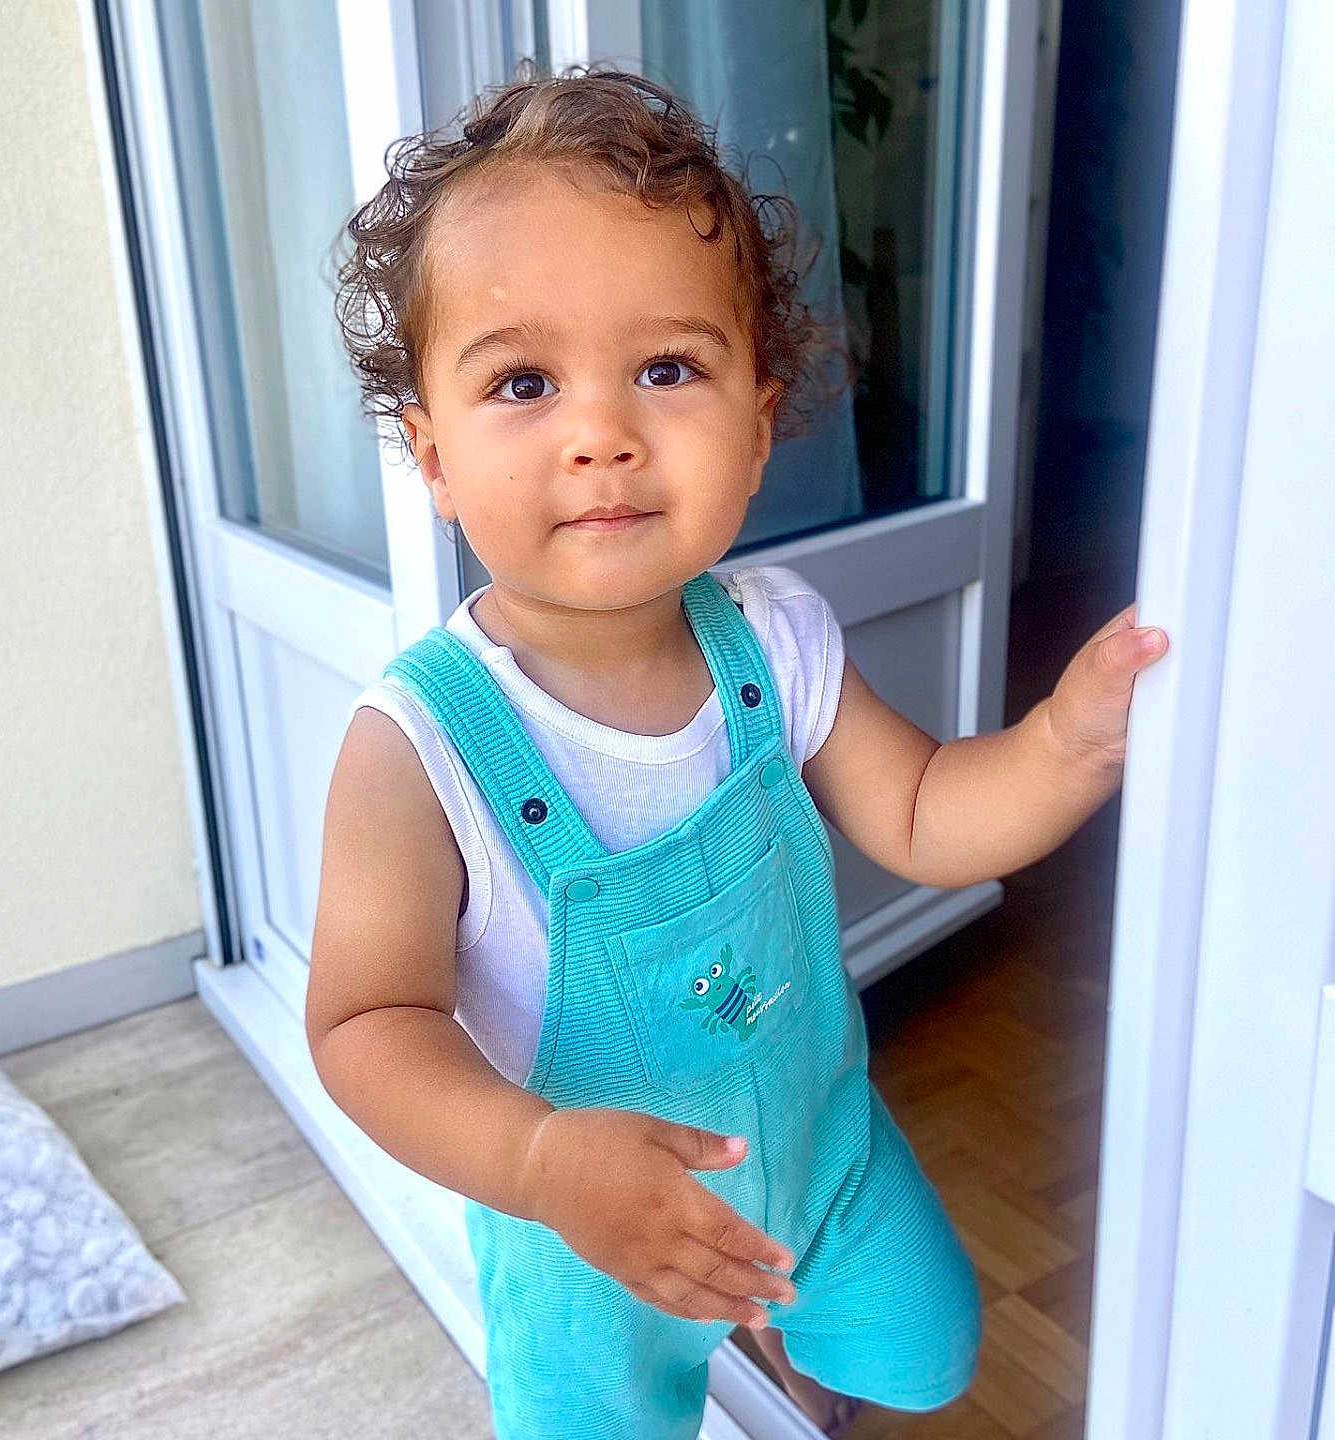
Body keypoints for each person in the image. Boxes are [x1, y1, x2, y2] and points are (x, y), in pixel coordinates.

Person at [306, 61, 1170, 1440]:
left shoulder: (775, 638)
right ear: (432, 454)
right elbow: (363, 1025)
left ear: (760, 424)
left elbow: (930, 816)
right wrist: (536, 1161)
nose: (601, 434)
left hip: (810, 1155)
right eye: (523, 381)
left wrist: (1066, 741)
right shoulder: (417, 746)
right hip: (577, 1229)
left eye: (667, 368)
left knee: (928, 1342)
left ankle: (789, 1354)